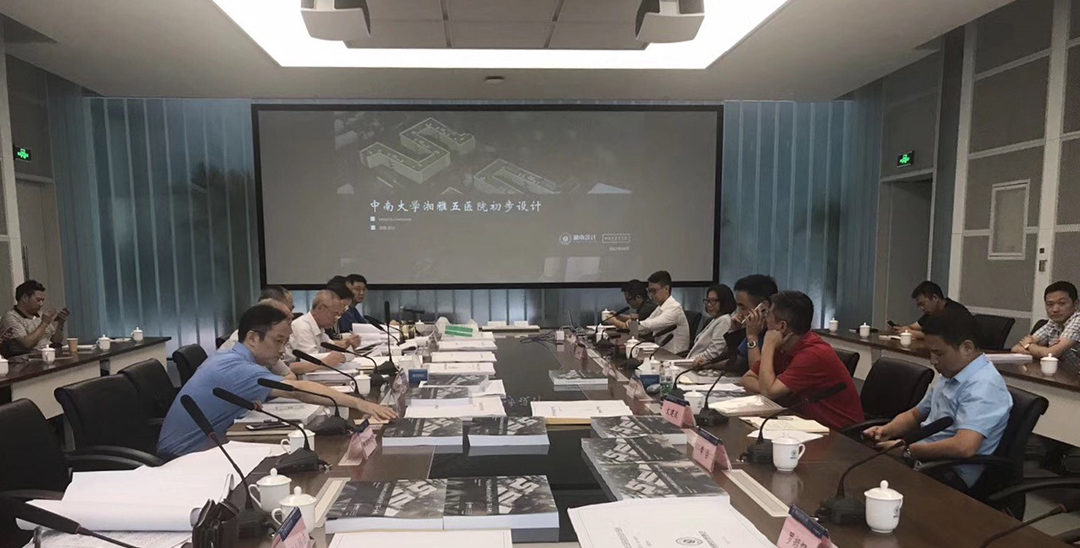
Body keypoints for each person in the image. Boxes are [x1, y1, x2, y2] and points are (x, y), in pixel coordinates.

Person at [157, 304, 397, 459]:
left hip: (208, 449)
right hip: (183, 460)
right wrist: (360, 404)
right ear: (252, 338)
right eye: (278, 341)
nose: (283, 350)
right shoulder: (236, 367)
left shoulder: (233, 358)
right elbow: (296, 389)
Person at [864, 309, 1011, 489]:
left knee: (869, 479)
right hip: (923, 459)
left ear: (967, 348)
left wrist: (908, 450)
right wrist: (886, 431)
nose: (933, 361)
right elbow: (915, 415)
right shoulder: (951, 374)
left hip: (948, 473)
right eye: (931, 353)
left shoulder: (984, 385)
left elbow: (964, 447)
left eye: (939, 354)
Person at [741, 291, 864, 430]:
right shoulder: (784, 345)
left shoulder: (813, 353)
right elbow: (748, 378)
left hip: (838, 433)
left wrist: (768, 345)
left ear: (782, 326)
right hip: (804, 422)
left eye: (767, 314)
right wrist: (771, 388)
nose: (764, 320)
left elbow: (768, 391)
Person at [610, 271, 689, 354]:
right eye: (650, 291)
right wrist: (633, 324)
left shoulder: (674, 309)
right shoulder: (660, 307)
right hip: (661, 352)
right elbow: (645, 328)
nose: (651, 295)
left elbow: (648, 326)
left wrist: (630, 324)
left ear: (666, 288)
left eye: (654, 291)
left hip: (674, 356)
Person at [1013, 281, 1079, 368]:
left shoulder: (1077, 321)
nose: (1055, 309)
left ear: (1076, 304)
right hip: (1062, 372)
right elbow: (1016, 348)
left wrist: (1028, 345)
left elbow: (1050, 354)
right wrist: (1042, 351)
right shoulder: (1053, 322)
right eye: (1050, 304)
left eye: (1062, 303)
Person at [290, 290, 358, 370]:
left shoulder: (320, 327)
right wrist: (337, 356)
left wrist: (348, 344)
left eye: (339, 315)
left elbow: (331, 347)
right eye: (335, 314)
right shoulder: (302, 326)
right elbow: (308, 360)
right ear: (321, 308)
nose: (336, 319)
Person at [0, 280, 69, 355]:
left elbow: (56, 341)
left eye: (42, 300)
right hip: (29, 358)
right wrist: (44, 323)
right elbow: (26, 344)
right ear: (24, 298)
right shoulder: (11, 317)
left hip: (50, 353)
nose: (41, 304)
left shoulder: (40, 314)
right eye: (38, 300)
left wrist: (60, 323)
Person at [733, 274, 779, 365]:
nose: (739, 313)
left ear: (763, 307)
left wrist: (752, 337)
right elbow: (736, 361)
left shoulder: (777, 332)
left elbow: (756, 370)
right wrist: (736, 330)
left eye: (743, 307)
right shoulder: (757, 328)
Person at [899, 281, 970, 340]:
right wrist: (906, 328)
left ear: (935, 298)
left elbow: (941, 338)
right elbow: (915, 326)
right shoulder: (932, 312)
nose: (922, 308)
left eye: (922, 304)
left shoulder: (954, 312)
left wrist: (911, 333)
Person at [688, 284, 737, 367]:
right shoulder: (716, 318)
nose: (709, 304)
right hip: (693, 363)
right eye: (708, 300)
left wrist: (688, 362)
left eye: (714, 301)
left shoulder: (724, 320)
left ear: (724, 302)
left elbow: (714, 352)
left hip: (700, 365)